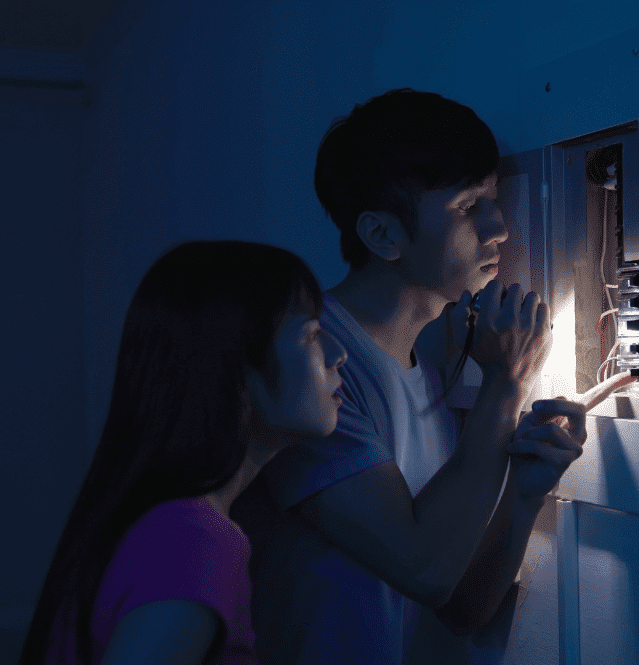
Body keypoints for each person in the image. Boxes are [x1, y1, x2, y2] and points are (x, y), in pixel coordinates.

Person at [231, 89, 588, 665]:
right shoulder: (316, 368)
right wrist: (506, 384)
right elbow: (425, 571)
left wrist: (523, 494)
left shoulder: (433, 368)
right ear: (383, 236)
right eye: (470, 207)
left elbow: (462, 610)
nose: (499, 226)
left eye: (494, 198)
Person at [18, 240, 347, 665]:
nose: (338, 354)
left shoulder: (171, 525)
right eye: (312, 334)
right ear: (239, 372)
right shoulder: (195, 541)